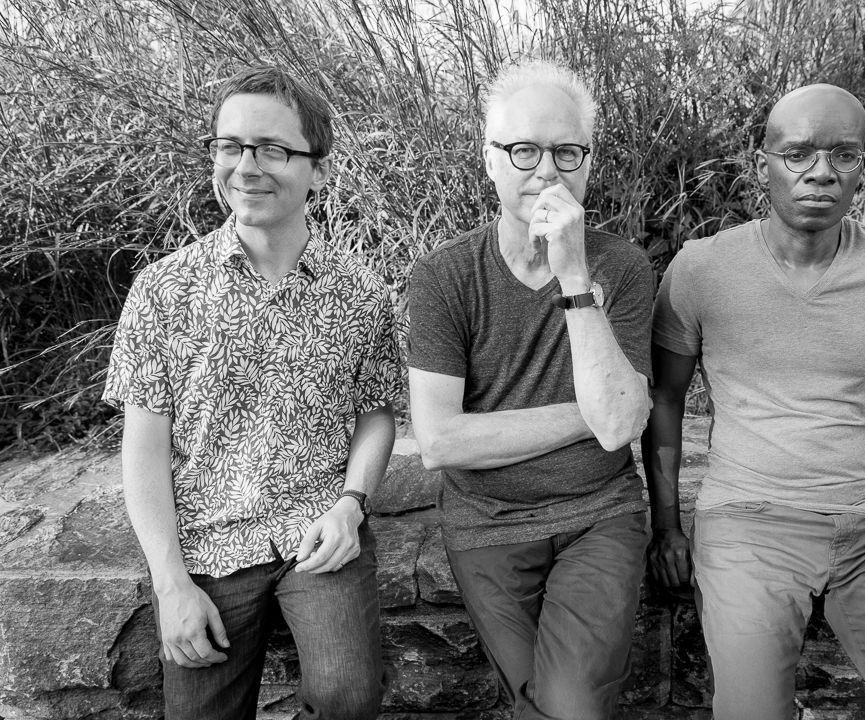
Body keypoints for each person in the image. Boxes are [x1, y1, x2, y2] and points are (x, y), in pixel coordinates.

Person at [644, 83, 865, 720]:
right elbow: (664, 397)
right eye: (798, 154)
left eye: (843, 154)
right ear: (763, 165)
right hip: (747, 522)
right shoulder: (701, 269)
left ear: (863, 167)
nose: (821, 172)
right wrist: (666, 528)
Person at [103, 66, 401, 720]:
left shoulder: (361, 292)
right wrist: (171, 584)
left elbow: (377, 413)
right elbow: (143, 450)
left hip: (316, 532)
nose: (245, 167)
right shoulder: (163, 290)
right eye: (231, 146)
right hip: (206, 546)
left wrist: (351, 505)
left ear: (318, 170)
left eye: (271, 149)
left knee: (348, 697)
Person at [407, 59, 654, 719]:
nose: (547, 171)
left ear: (587, 164)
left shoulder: (621, 268)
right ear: (490, 160)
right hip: (488, 526)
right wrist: (588, 414)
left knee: (568, 705)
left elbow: (621, 425)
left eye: (567, 152)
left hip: (599, 516)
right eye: (524, 150)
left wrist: (573, 275)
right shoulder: (444, 277)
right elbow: (440, 441)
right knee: (540, 705)